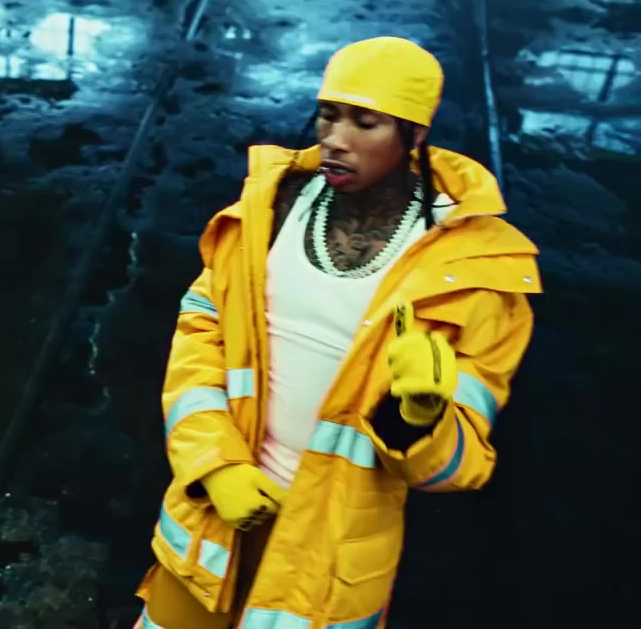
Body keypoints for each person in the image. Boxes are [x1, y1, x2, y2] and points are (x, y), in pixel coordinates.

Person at [132, 37, 542, 629]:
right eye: (328, 115)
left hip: (328, 568)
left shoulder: (476, 274)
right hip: (212, 525)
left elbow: (455, 469)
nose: (335, 138)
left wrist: (418, 419)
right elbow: (199, 343)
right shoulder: (266, 211)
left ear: (414, 134)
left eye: (365, 123)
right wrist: (215, 465)